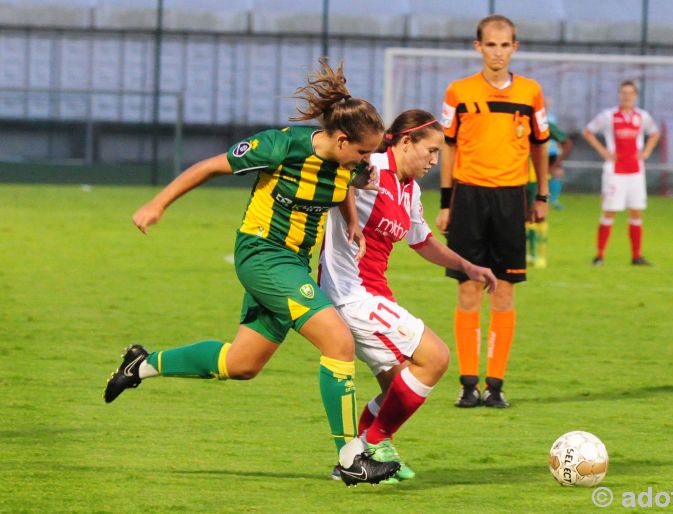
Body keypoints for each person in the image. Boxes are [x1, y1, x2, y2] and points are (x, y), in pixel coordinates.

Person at [102, 59, 400, 486]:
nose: (367, 161)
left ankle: (141, 366)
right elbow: (207, 167)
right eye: (363, 151)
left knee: (241, 364)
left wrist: (351, 219)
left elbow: (346, 182)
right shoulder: (280, 146)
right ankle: (352, 458)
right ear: (338, 138)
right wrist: (158, 204)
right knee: (338, 342)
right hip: (261, 254)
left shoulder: (349, 163)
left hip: (292, 264)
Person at [319, 109, 498, 482]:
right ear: (404, 142)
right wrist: (348, 217)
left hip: (375, 293)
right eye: (431, 151)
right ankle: (372, 442)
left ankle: (355, 459)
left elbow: (423, 241)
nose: (436, 160)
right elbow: (337, 177)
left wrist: (468, 267)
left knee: (400, 386)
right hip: (350, 293)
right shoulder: (371, 168)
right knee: (435, 358)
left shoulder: (410, 189)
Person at [435, 15, 550, 408]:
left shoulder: (531, 93)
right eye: (491, 45)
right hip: (468, 199)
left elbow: (540, 146)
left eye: (505, 45)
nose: (498, 52)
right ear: (477, 47)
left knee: (503, 291)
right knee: (468, 290)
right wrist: (446, 203)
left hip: (510, 199)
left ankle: (496, 386)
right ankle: (468, 385)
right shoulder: (458, 92)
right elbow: (448, 146)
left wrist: (542, 196)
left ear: (515, 47)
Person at [583, 80, 661, 266]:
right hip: (615, 172)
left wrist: (647, 151)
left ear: (636, 96)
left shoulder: (642, 116)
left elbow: (655, 133)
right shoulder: (608, 116)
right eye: (624, 93)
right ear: (619, 94)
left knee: (636, 212)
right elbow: (588, 131)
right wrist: (603, 152)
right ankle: (599, 255)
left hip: (635, 171)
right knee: (609, 211)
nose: (627, 96)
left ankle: (636, 256)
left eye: (630, 93)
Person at [526, 107, 573, 268]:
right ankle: (528, 253)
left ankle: (539, 254)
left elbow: (566, 142)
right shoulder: (511, 120)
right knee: (522, 216)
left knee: (538, 215)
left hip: (537, 177)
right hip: (514, 177)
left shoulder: (542, 123)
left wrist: (555, 165)